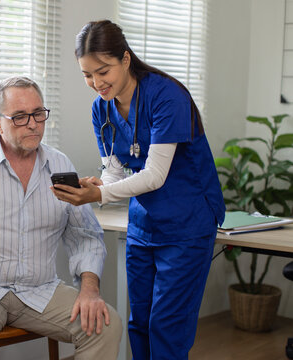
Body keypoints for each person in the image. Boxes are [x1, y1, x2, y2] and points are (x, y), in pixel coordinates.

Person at [50, 20, 226, 360]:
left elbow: (156, 175)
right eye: (87, 75)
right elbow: (115, 170)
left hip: (186, 223)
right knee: (140, 321)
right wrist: (97, 184)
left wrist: (98, 195)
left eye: (103, 71)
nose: (97, 83)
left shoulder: (166, 96)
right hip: (144, 225)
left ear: (126, 59)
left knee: (167, 324)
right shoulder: (102, 107)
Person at [0, 76, 122, 360]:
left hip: (39, 291)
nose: (32, 123)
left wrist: (90, 290)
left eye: (38, 114)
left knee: (106, 325)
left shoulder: (60, 164)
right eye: (19, 117)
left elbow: (85, 236)